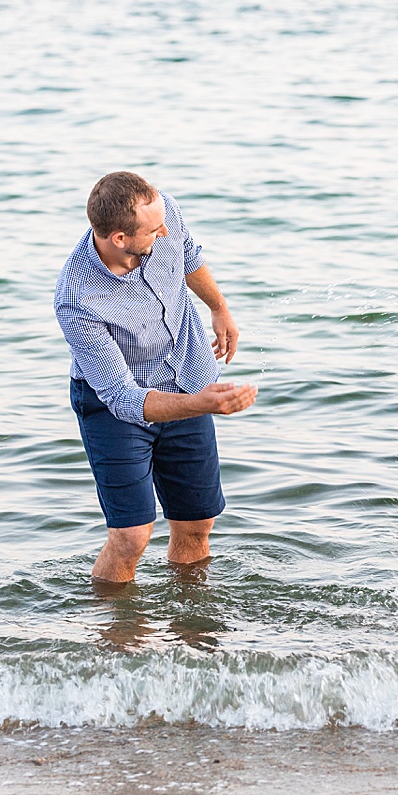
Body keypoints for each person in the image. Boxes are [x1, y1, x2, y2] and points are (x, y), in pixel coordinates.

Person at [54, 171, 257, 583]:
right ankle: (119, 637)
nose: (164, 230)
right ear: (119, 239)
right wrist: (205, 404)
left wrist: (218, 307)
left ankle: (192, 627)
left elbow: (189, 255)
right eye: (153, 229)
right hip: (112, 405)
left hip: (186, 373)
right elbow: (123, 397)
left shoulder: (162, 213)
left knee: (196, 524)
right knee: (131, 536)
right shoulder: (77, 298)